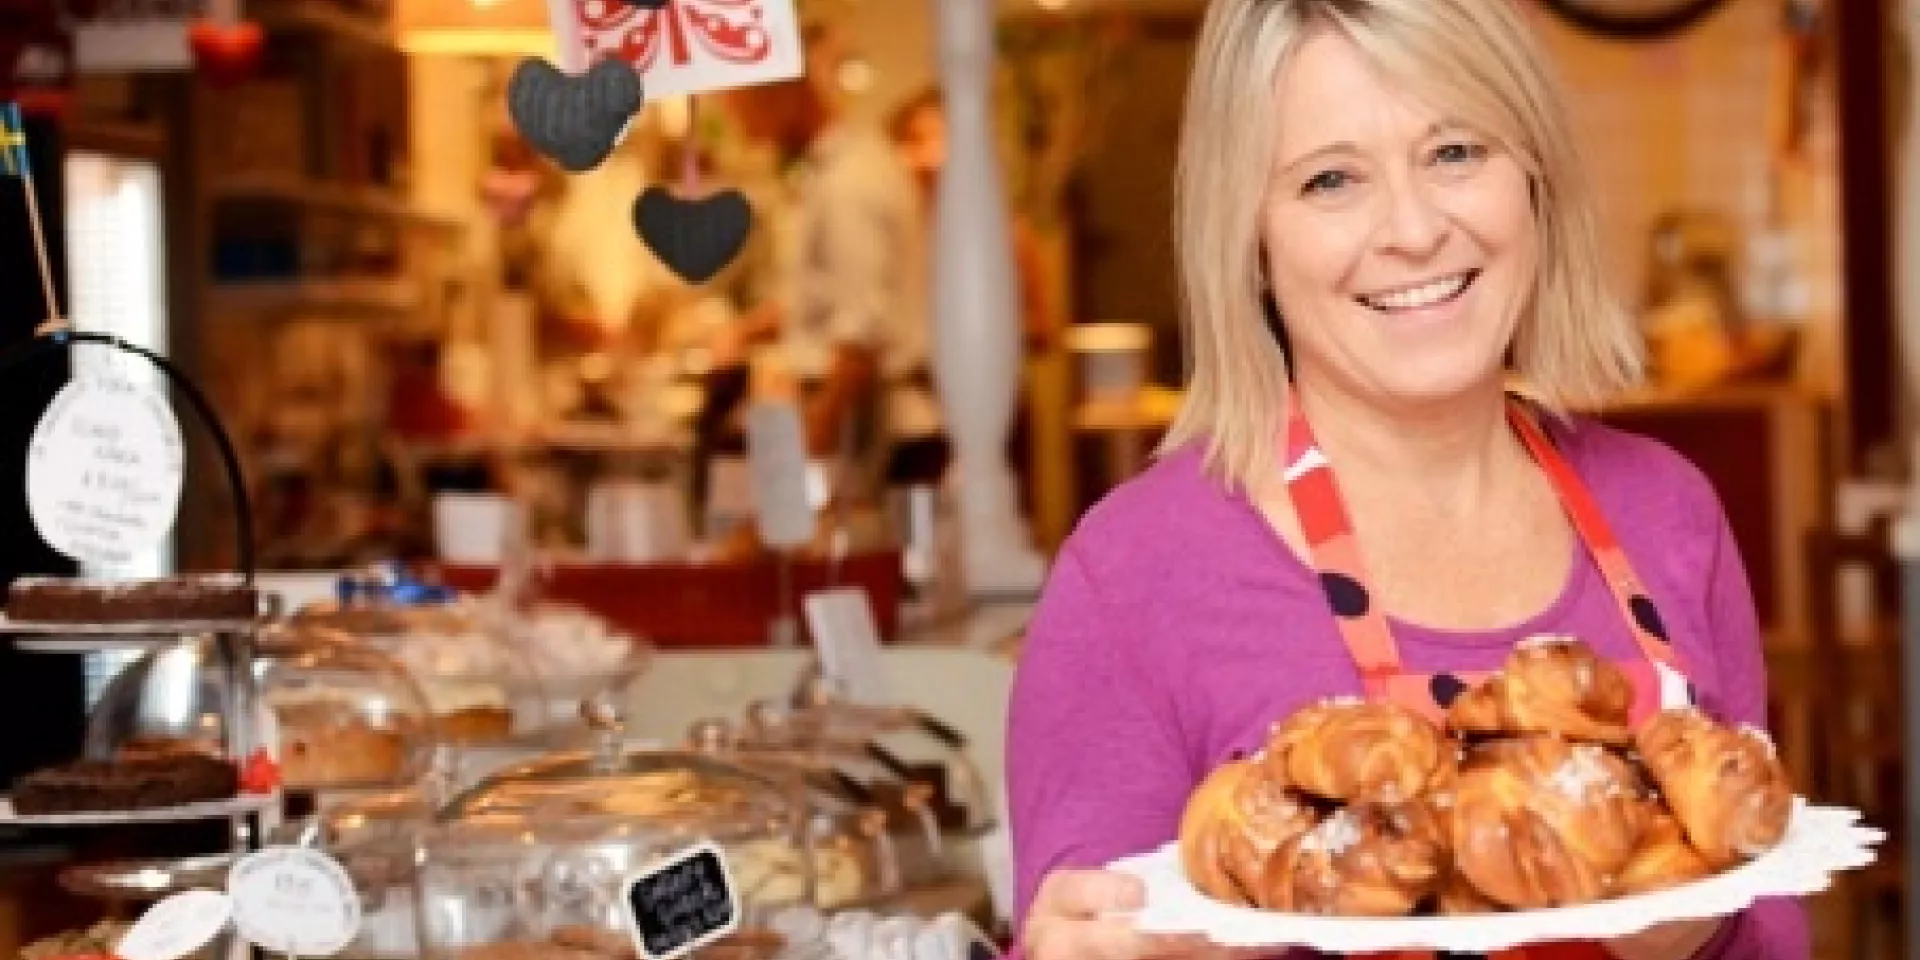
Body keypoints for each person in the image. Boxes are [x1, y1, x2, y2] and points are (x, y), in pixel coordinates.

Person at [1006, 1, 1807, 959]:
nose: (1415, 229)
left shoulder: (1667, 513)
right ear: (1250, 239)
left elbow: (1771, 923)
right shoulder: (1135, 578)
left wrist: (1699, 939)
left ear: (1535, 177)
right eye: (1331, 180)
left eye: (1456, 153)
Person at [713, 23, 936, 502]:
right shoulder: (839, 170)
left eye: (744, 111)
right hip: (860, 420)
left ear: (783, 95)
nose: (745, 131)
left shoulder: (849, 182)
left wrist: (812, 443)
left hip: (869, 428)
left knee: (852, 566)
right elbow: (830, 295)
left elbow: (861, 335)